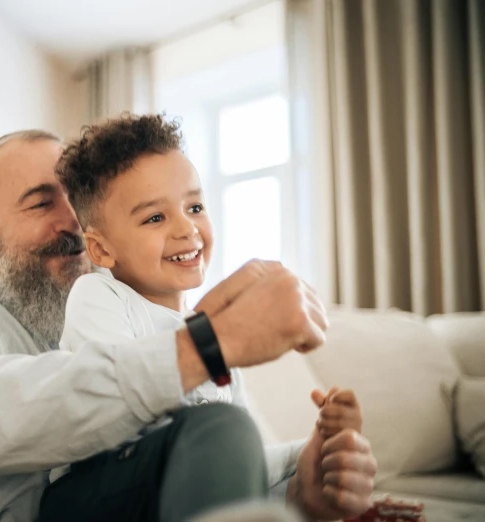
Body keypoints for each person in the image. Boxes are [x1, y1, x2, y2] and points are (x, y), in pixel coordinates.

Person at [0, 129, 377, 522]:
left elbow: (217, 459)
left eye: (76, 199)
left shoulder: (133, 316)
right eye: (41, 201)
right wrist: (211, 343)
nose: (72, 220)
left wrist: (301, 485)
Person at [40, 114, 365, 521]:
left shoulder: (210, 336)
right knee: (222, 426)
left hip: (174, 492)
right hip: (94, 494)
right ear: (101, 250)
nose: (186, 228)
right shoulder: (99, 294)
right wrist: (210, 338)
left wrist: (310, 453)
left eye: (194, 206)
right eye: (154, 217)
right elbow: (117, 408)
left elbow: (242, 458)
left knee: (232, 433)